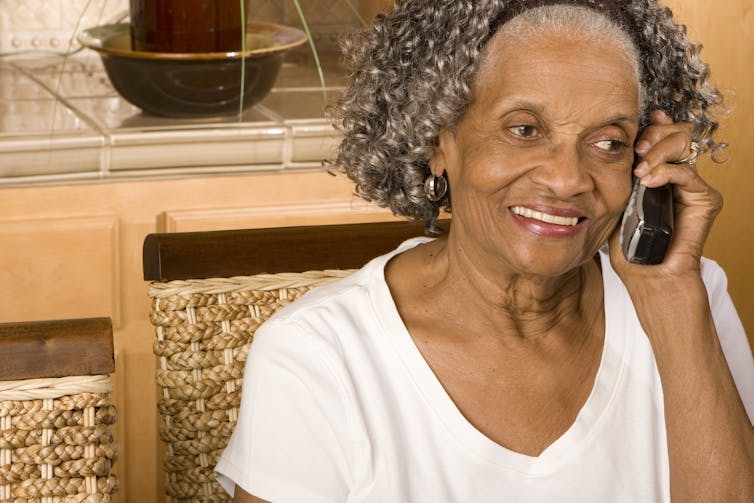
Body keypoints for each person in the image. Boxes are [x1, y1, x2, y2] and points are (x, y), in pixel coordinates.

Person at [216, 0, 754, 501]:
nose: (566, 179)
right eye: (523, 129)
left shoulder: (689, 298)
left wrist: (672, 300)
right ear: (438, 143)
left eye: (609, 141)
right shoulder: (319, 354)